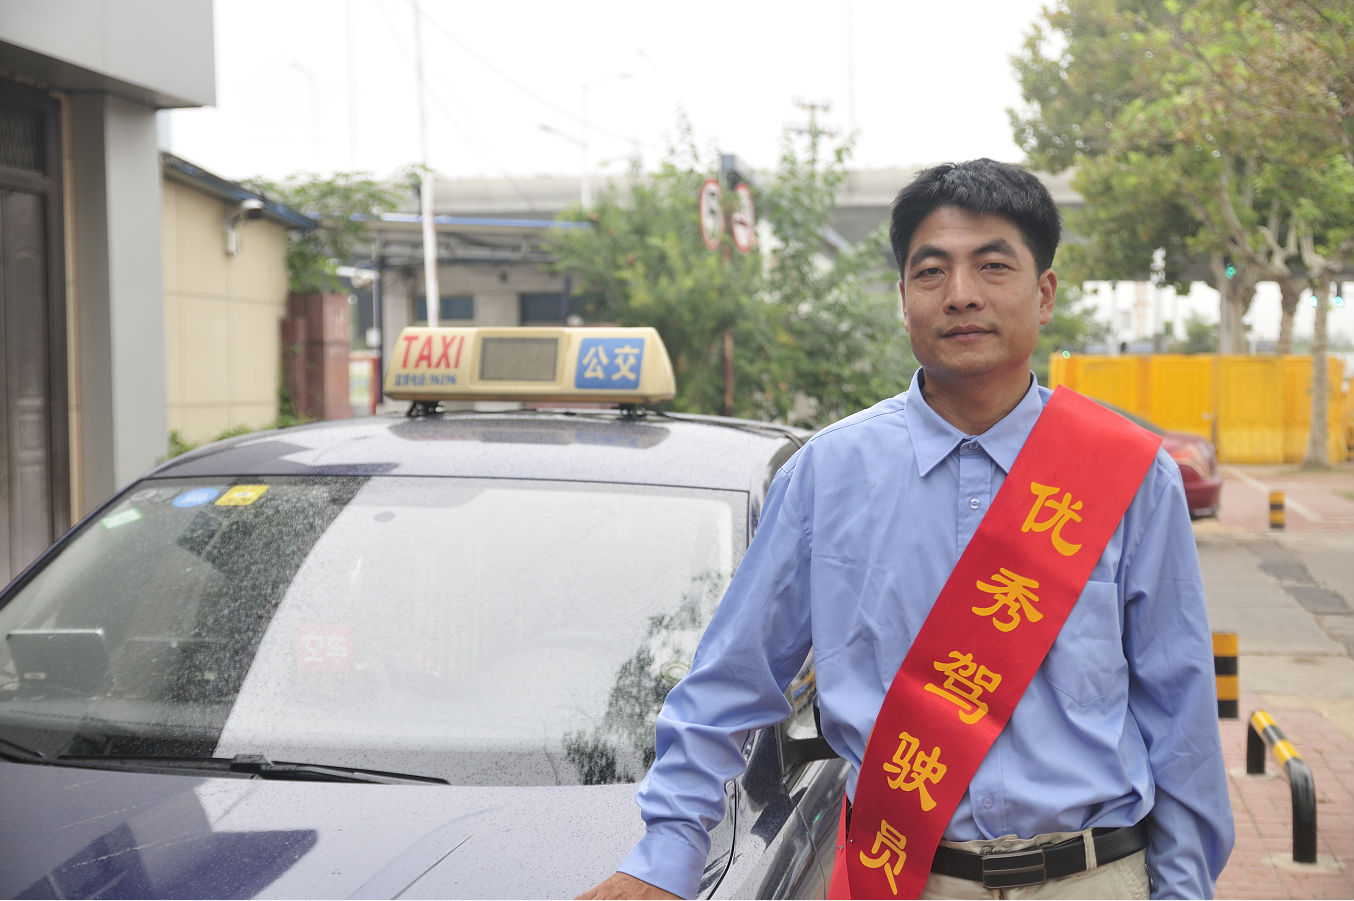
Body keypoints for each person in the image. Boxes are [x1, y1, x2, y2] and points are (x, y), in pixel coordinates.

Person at [578, 159, 1233, 900]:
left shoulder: (1128, 475)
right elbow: (729, 683)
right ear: (902, 297)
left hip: (1095, 878)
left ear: (1044, 293)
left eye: (993, 266)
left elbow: (1180, 711)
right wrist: (665, 859)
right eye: (931, 271)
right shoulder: (828, 474)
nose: (961, 294)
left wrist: (1185, 889)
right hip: (902, 876)